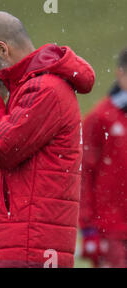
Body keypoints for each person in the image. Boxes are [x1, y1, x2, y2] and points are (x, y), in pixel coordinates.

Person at [0, 11, 95, 268]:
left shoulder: (44, 89)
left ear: (2, 50)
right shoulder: (35, 87)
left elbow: (1, 150)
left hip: (28, 246)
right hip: (26, 243)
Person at [80, 47, 127, 268]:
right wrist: (88, 227)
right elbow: (83, 173)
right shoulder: (100, 118)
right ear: (120, 73)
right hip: (111, 229)